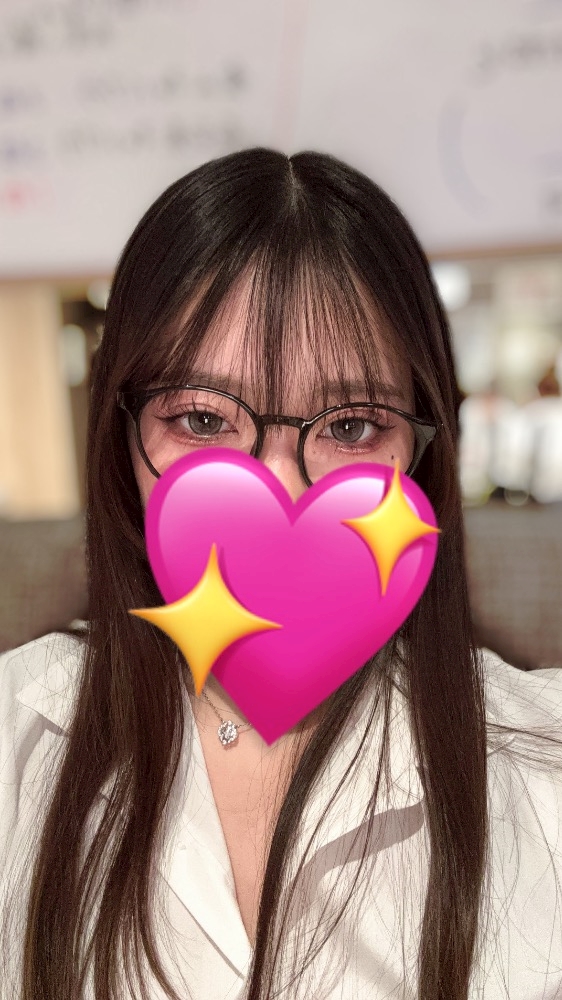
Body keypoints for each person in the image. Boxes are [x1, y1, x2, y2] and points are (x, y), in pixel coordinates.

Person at [1, 149, 562, 1000]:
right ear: (120, 435)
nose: (283, 491)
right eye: (201, 418)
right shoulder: (19, 738)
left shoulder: (539, 766)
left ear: (424, 448)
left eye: (350, 425)